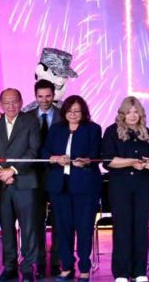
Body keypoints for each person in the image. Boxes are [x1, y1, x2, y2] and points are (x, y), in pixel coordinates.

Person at [43, 95, 102, 282]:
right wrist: (54, 158)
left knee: (84, 228)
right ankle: (67, 267)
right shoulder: (56, 129)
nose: (73, 114)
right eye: (69, 111)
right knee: (63, 229)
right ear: (64, 112)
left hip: (85, 186)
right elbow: (44, 151)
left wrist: (86, 161)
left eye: (77, 111)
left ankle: (84, 268)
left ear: (83, 112)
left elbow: (96, 154)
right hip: (59, 186)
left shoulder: (93, 129)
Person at [0, 89, 43, 282]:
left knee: (29, 228)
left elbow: (34, 150)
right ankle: (10, 267)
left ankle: (28, 268)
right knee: (6, 228)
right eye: (6, 102)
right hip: (2, 184)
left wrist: (12, 170)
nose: (10, 106)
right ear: (1, 104)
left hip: (25, 181)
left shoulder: (31, 121)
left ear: (21, 102)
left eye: (14, 102)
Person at [103, 97, 149, 282]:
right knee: (122, 227)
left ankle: (139, 271)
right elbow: (108, 161)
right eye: (128, 112)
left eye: (136, 112)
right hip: (120, 185)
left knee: (141, 227)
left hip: (142, 184)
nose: (132, 115)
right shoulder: (111, 131)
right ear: (122, 114)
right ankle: (121, 272)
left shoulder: (146, 132)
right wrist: (132, 162)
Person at [32, 79, 62, 278]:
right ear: (35, 96)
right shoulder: (26, 117)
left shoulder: (63, 115)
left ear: (53, 95)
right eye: (40, 96)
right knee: (36, 222)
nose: (44, 100)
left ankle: (57, 261)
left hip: (58, 174)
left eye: (48, 96)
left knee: (59, 221)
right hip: (33, 176)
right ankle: (40, 262)